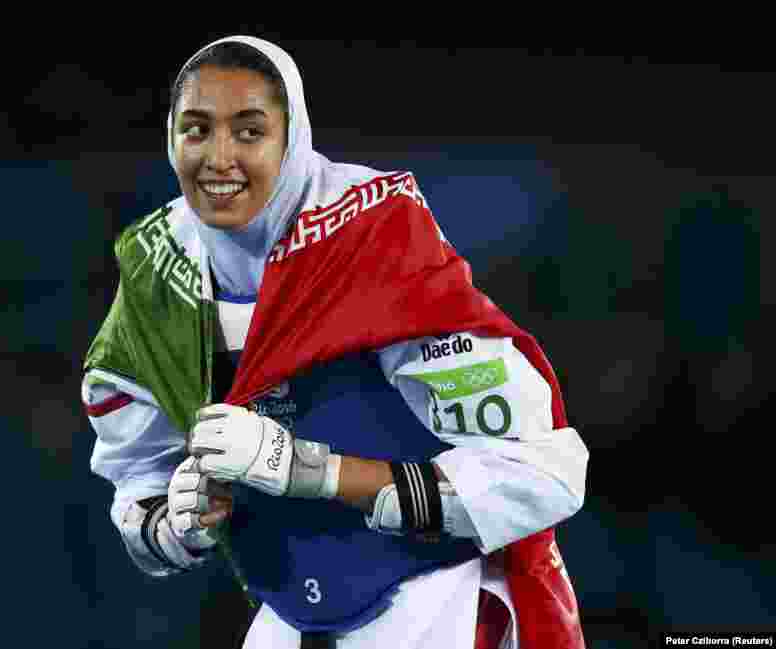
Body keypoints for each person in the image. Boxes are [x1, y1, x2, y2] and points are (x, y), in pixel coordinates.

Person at [81, 35, 589, 649]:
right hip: (287, 621)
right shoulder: (157, 272)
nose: (219, 158)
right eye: (196, 129)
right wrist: (176, 523)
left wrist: (313, 471)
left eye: (249, 132)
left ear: (293, 138)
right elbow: (137, 478)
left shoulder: (373, 236)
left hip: (439, 608)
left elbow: (542, 473)